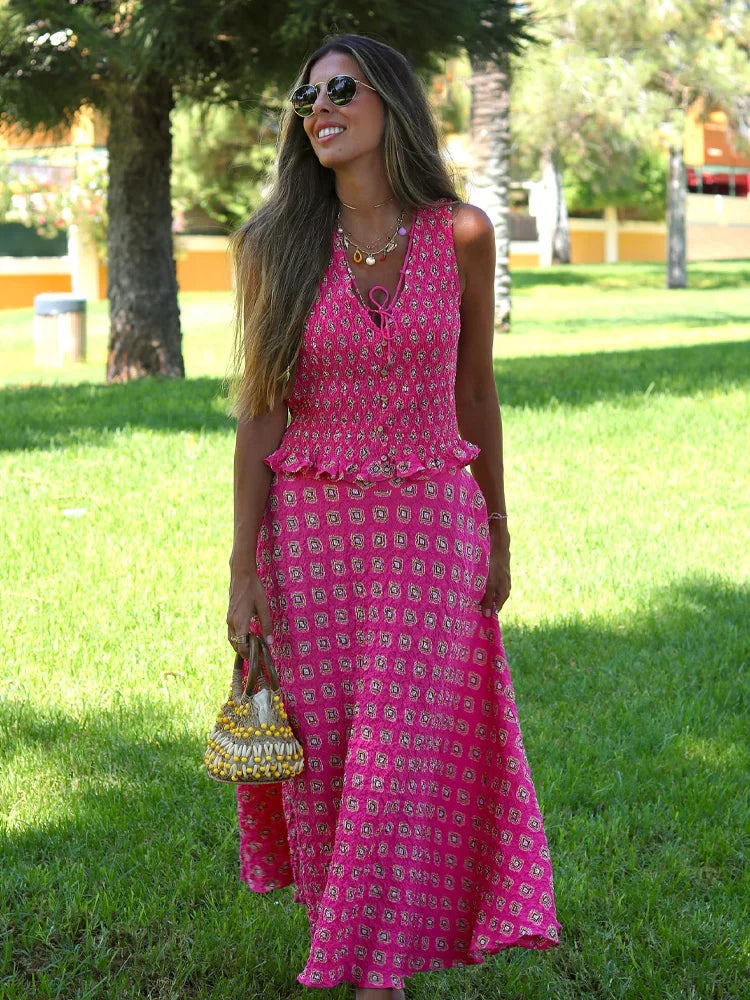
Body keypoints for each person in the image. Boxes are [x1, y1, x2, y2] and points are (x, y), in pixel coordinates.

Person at [226, 33, 560, 1000]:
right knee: (331, 754)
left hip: (432, 531)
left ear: (390, 104)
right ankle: (376, 963)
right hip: (314, 541)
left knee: (403, 751)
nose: (319, 107)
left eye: (341, 89)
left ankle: (367, 974)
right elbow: (260, 414)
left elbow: (476, 392)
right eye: (306, 96)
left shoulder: (461, 232)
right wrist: (243, 569)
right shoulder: (271, 245)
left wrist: (499, 526)